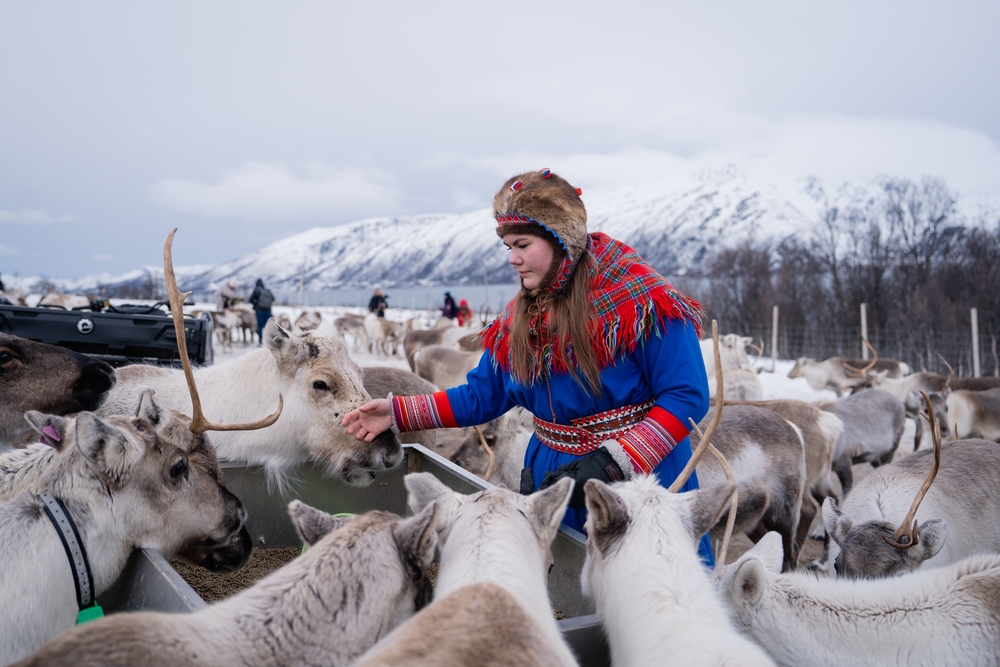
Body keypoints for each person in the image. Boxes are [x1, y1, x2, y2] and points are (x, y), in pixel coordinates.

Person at [343, 169, 713, 565]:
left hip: (638, 480)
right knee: (569, 602)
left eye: (522, 244)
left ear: (561, 239)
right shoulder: (522, 317)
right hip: (556, 483)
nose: (514, 259)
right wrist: (397, 412)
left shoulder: (642, 301)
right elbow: (483, 396)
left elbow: (687, 394)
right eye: (508, 247)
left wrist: (614, 461)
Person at [249, 278, 274, 345]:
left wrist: (256, 304)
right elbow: (273, 299)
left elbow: (250, 299)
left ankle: (260, 342)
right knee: (269, 326)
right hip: (268, 311)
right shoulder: (267, 290)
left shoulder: (256, 291)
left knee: (260, 327)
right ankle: (270, 342)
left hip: (259, 311)